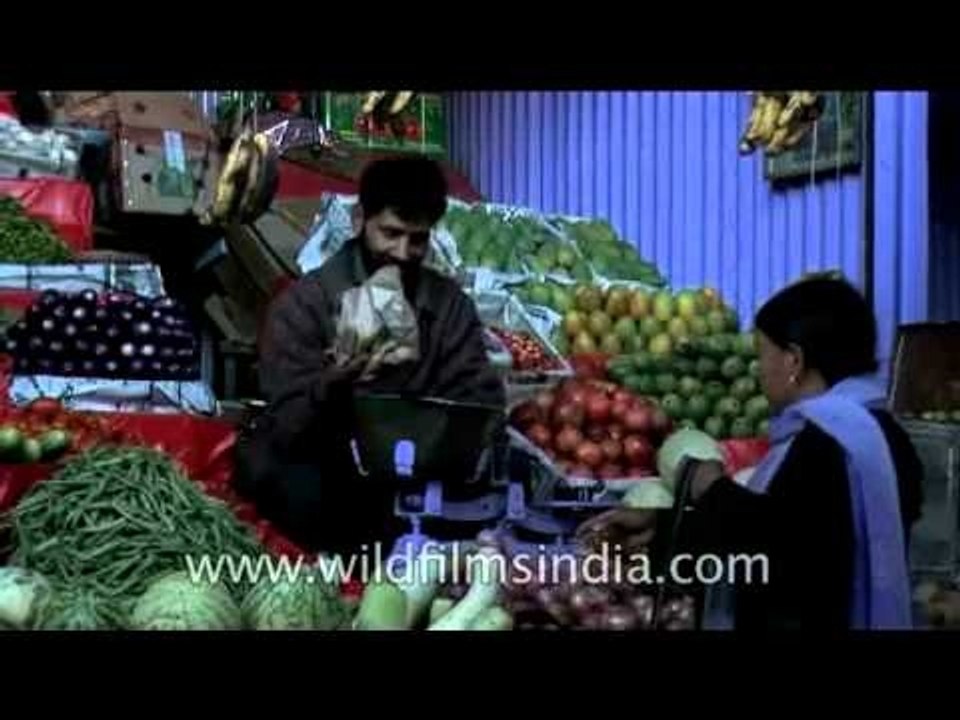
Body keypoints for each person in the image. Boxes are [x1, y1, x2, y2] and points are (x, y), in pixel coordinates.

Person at [579, 278, 923, 630]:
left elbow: (779, 554)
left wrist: (709, 486)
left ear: (794, 361)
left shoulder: (829, 444)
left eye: (762, 352)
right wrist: (659, 528)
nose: (759, 369)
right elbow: (795, 529)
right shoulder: (878, 433)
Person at [235, 156, 505, 554]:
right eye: (391, 233)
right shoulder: (305, 305)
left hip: (420, 476)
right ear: (361, 219)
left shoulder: (449, 305)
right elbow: (285, 421)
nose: (403, 251)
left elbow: (481, 399)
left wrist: (418, 406)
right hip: (329, 476)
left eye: (418, 239)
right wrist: (334, 383)